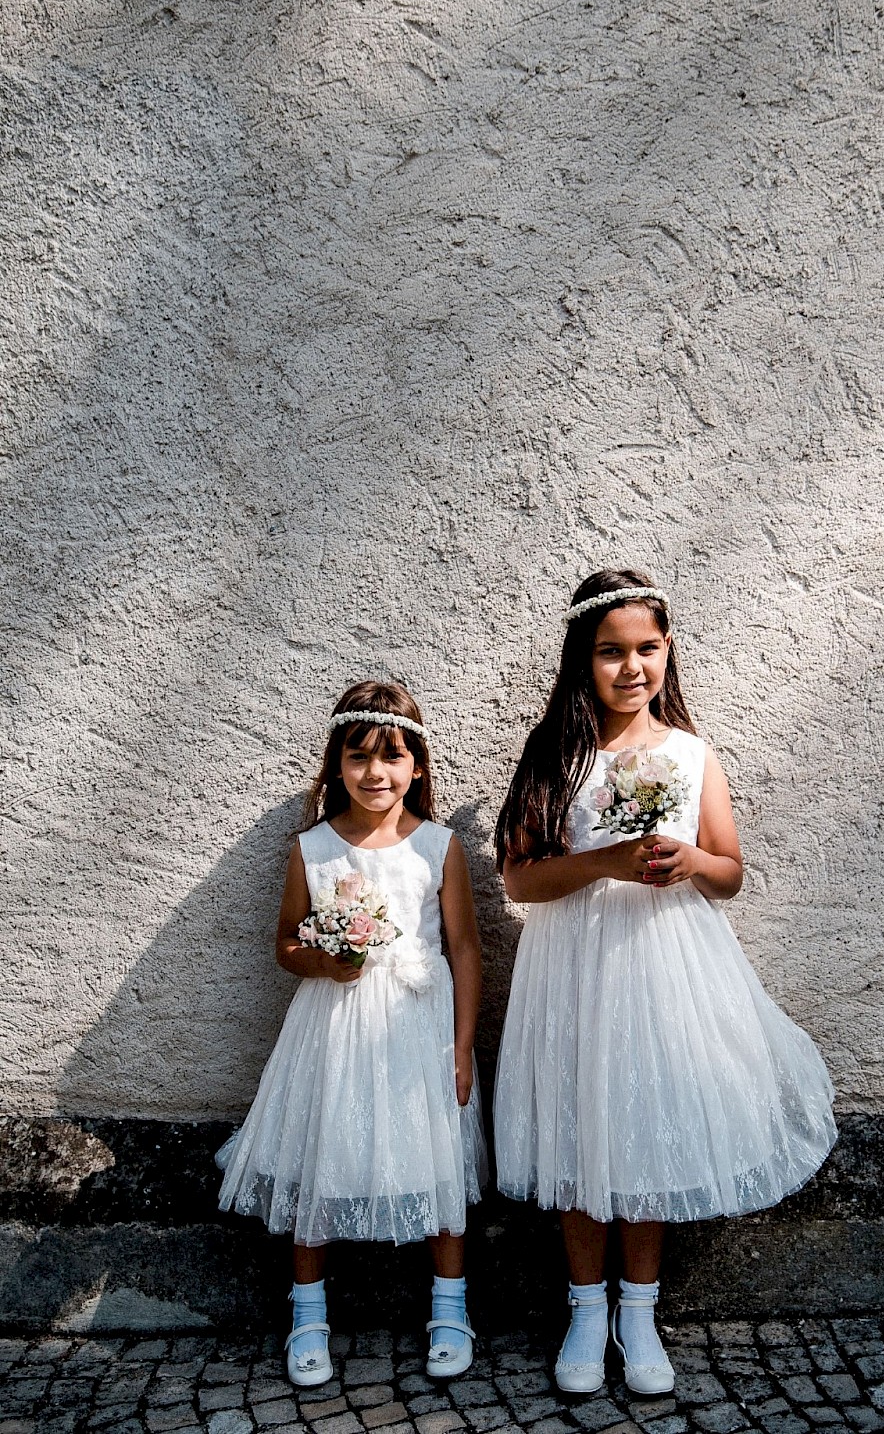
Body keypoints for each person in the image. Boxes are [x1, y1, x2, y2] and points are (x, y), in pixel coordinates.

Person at [493, 569, 837, 1395]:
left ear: (668, 651)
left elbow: (730, 873)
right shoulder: (558, 755)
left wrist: (690, 863)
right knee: (581, 1127)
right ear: (583, 660)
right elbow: (519, 881)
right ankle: (584, 1309)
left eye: (646, 648)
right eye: (611, 652)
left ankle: (638, 1312)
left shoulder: (690, 753)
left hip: (663, 967)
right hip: (576, 966)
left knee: (644, 1127)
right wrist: (605, 861)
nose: (631, 667)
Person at [218, 681, 487, 1387]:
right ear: (336, 765)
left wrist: (461, 1048)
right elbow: (284, 943)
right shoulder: (312, 848)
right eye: (359, 756)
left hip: (419, 1026)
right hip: (333, 1025)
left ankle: (450, 1308)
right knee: (322, 1154)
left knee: (438, 1163)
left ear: (418, 767)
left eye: (392, 757)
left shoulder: (439, 846)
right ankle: (307, 1315)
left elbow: (464, 949)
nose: (376, 772)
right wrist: (323, 962)